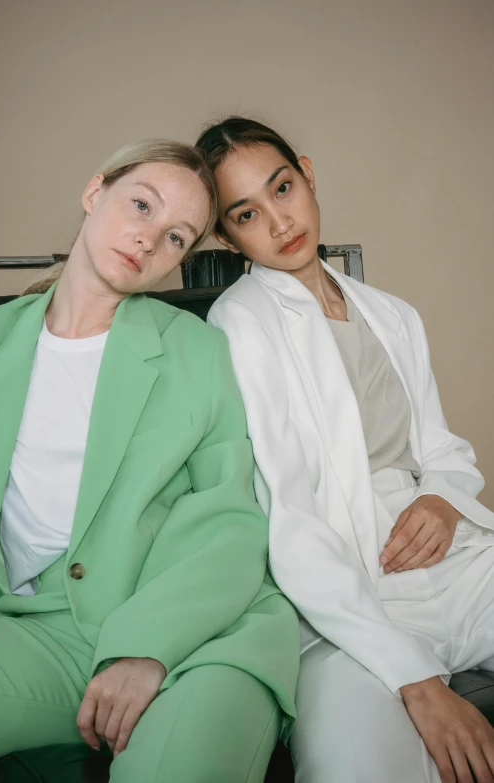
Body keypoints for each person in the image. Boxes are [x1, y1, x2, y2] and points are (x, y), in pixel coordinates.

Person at [0, 138, 300, 782]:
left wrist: (146, 647)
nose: (150, 239)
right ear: (95, 193)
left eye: (177, 237)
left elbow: (228, 518)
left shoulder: (198, 351)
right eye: (140, 206)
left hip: (201, 635)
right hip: (40, 633)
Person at [196, 116, 494, 783]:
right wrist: (418, 681)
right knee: (350, 764)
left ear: (306, 171)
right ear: (226, 234)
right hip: (339, 597)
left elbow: (443, 451)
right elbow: (289, 518)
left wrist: (443, 501)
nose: (279, 221)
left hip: (458, 564)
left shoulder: (392, 313)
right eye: (247, 212)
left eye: (283, 188)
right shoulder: (241, 322)